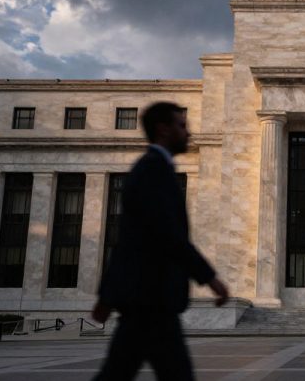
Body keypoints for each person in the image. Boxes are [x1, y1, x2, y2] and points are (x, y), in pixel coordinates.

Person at [93, 102, 229, 380]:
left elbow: (128, 241)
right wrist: (210, 278)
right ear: (163, 129)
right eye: (182, 125)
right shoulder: (153, 171)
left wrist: (108, 296)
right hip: (152, 299)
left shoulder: (152, 169)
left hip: (147, 303)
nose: (189, 132)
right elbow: (168, 236)